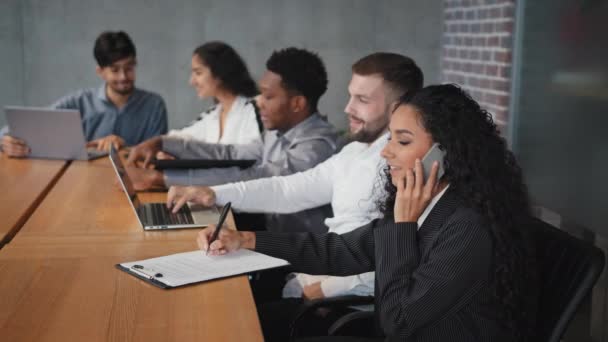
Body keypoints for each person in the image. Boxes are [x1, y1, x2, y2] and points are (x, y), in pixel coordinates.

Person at [190, 84, 538, 342]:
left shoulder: (467, 225)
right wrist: (246, 239)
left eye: (402, 141)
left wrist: (402, 226)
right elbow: (341, 250)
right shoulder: (425, 203)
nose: (386, 152)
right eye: (390, 138)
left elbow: (397, 322)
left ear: (445, 154)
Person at [167, 53, 423, 305]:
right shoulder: (355, 151)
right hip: (311, 279)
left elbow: (396, 250)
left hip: (336, 298)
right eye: (350, 96)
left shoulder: (400, 166)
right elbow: (288, 189)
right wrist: (214, 194)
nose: (348, 108)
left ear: (398, 106)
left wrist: (327, 289)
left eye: (362, 100)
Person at [126, 47, 337, 232]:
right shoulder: (276, 132)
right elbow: (230, 154)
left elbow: (259, 177)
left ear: (297, 103)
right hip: (271, 234)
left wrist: (161, 179)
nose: (259, 102)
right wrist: (163, 142)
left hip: (299, 257)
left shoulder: (316, 147)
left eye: (268, 96)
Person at [1, 31, 168, 157]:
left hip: (135, 184)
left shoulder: (154, 105)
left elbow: (158, 153)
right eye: (115, 70)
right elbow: (29, 126)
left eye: (129, 68)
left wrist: (124, 147)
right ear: (100, 71)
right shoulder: (79, 102)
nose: (123, 76)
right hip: (81, 182)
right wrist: (4, 141)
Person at [164, 41, 261, 147]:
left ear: (220, 72)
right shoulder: (211, 116)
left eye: (198, 73)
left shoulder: (254, 110)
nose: (192, 81)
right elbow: (178, 138)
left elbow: (254, 155)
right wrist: (161, 149)